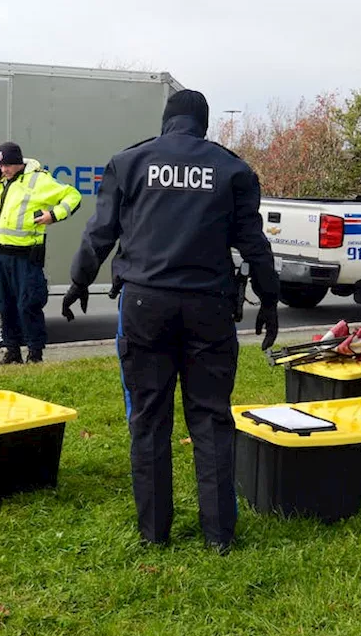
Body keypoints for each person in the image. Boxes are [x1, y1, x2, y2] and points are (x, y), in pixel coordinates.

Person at [62, 89, 279, 554]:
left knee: (148, 418)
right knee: (211, 418)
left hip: (145, 305)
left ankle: (154, 532)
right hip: (210, 307)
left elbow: (100, 233)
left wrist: (79, 281)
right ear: (203, 124)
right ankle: (219, 536)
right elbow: (254, 244)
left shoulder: (130, 162)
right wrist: (271, 299)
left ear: (166, 121)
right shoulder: (232, 169)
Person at [0, 141, 82, 365]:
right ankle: (12, 351)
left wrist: (54, 214)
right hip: (0, 255)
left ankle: (35, 353)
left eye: (9, 165)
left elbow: (73, 196)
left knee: (28, 304)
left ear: (19, 162)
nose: (4, 170)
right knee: (4, 304)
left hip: (26, 256)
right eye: (1, 166)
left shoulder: (38, 180)